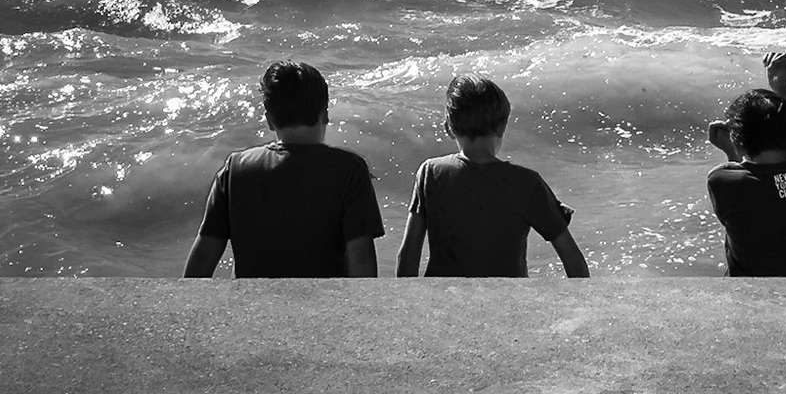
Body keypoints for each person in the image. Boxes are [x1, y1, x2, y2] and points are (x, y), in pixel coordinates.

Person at [183, 61, 385, 278]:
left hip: (250, 305)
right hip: (327, 305)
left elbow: (205, 254)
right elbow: (361, 258)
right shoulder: (349, 170)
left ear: (270, 120)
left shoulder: (236, 169)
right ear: (325, 114)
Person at [395, 74, 589, 278]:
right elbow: (572, 258)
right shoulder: (526, 183)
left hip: (444, 302)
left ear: (448, 128)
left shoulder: (431, 173)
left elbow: (408, 254)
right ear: (502, 126)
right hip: (506, 303)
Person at [705, 52, 786, 276]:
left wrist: (731, 151)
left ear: (738, 140)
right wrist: (784, 89)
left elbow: (749, 188)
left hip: (753, 302)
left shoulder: (721, 180)